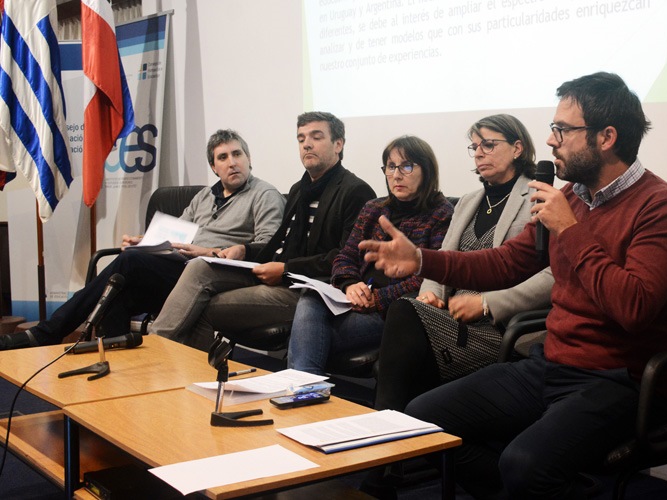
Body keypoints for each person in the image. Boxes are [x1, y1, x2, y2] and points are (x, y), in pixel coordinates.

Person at [358, 72, 667, 498]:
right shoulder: (573, 198)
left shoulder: (662, 208)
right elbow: (506, 263)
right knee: (423, 419)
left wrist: (570, 230)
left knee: (523, 463)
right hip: (551, 364)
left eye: (562, 129)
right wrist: (423, 260)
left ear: (606, 137)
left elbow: (633, 307)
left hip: (620, 380)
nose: (551, 140)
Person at [0, 129, 286, 350]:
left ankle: (46, 333)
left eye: (238, 155)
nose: (232, 162)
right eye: (223, 158)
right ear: (214, 166)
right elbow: (177, 234)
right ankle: (117, 367)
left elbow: (267, 249)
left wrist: (208, 250)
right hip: (179, 267)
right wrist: (146, 241)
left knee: (129, 263)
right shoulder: (204, 196)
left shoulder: (264, 194)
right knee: (118, 290)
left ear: (249, 159)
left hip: (214, 272)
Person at [150, 111, 376, 351]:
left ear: (338, 144)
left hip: (310, 289)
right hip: (280, 274)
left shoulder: (356, 191)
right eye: (301, 139)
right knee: (200, 267)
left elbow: (346, 258)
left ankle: (164, 359)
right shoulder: (300, 188)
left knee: (200, 306)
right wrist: (243, 250)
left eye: (316, 137)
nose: (307, 144)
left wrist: (287, 269)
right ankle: (170, 361)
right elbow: (280, 243)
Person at [374, 115, 553, 413]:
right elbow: (446, 256)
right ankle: (395, 436)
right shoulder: (469, 201)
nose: (479, 152)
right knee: (409, 309)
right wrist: (430, 295)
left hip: (499, 326)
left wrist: (486, 303)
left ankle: (385, 438)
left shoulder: (539, 198)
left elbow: (542, 272)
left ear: (517, 148)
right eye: (474, 147)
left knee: (403, 322)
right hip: (451, 318)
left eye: (488, 144)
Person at [286, 135, 454, 375]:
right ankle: (305, 388)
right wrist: (350, 284)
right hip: (353, 301)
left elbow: (430, 274)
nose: (396, 175)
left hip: (392, 312)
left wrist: (378, 299)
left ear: (426, 170)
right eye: (391, 167)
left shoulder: (441, 214)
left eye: (406, 166)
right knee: (310, 297)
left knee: (307, 339)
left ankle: (301, 388)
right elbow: (345, 256)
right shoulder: (374, 208)